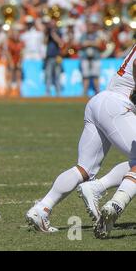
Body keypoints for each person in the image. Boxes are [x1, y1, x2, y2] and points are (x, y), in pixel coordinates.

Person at [25, 43, 136, 233]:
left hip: (101, 101)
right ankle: (114, 204)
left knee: (84, 168)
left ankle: (42, 208)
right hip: (118, 104)